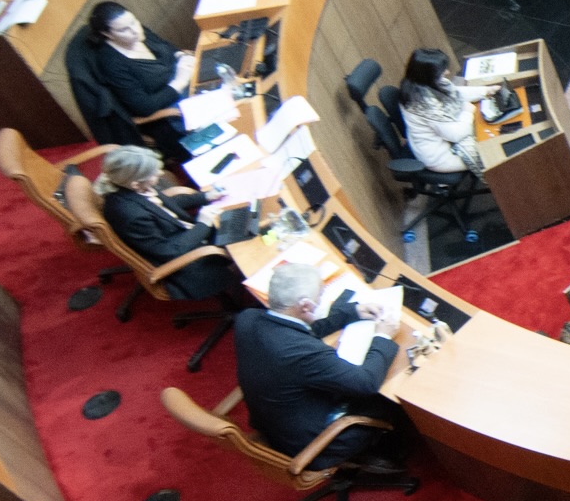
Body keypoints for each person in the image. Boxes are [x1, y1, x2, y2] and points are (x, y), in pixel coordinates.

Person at [233, 262, 401, 466]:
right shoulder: (300, 352)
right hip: (315, 443)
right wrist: (383, 336)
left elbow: (300, 330)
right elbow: (366, 382)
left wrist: (352, 313)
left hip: (275, 421)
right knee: (389, 396)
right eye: (319, 295)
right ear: (305, 305)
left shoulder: (247, 318)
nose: (321, 299)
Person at [95, 146, 239, 300]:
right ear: (136, 184)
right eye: (154, 173)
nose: (160, 173)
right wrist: (203, 224)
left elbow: (164, 205)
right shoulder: (131, 216)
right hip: (186, 261)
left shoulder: (134, 186)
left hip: (183, 234)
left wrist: (206, 196)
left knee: (242, 220)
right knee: (245, 242)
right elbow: (168, 251)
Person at [400, 47, 496, 185]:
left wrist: (486, 91)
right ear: (428, 75)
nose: (447, 72)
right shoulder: (421, 104)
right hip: (441, 157)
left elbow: (455, 93)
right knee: (493, 155)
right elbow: (455, 134)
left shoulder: (418, 83)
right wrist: (467, 112)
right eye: (442, 71)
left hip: (444, 139)